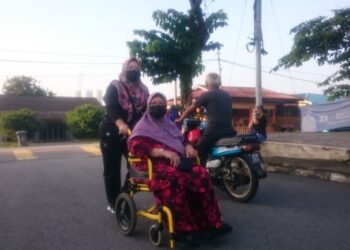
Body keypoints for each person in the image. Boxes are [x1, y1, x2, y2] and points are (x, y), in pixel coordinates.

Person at [128, 92, 232, 243]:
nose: (157, 106)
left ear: (166, 106)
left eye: (160, 103)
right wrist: (163, 152)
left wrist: (188, 146)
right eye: (154, 104)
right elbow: (136, 147)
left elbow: (182, 140)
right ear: (148, 106)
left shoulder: (170, 124)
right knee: (174, 177)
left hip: (179, 161)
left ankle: (212, 224)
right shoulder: (143, 126)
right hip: (156, 164)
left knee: (201, 174)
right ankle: (184, 230)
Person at [99, 57, 149, 213]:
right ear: (124, 68)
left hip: (132, 134)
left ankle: (124, 195)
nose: (134, 69)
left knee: (137, 165)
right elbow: (112, 107)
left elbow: (146, 112)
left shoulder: (144, 90)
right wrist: (121, 124)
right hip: (112, 130)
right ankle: (114, 202)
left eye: (137, 67)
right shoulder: (115, 86)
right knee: (112, 169)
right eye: (130, 66)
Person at [176, 73, 236, 165]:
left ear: (206, 83)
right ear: (219, 83)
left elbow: (190, 109)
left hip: (214, 130)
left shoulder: (207, 95)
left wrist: (180, 119)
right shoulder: (227, 95)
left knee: (197, 151)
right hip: (229, 129)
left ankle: (200, 174)